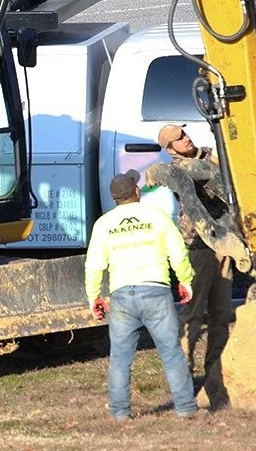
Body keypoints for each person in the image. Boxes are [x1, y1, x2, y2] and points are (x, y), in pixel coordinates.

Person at [85, 169, 199, 420]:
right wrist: (185, 280)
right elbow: (178, 253)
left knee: (120, 358)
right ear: (137, 192)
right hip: (156, 292)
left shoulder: (104, 224)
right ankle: (186, 409)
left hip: (122, 296)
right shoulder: (157, 217)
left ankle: (120, 413)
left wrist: (95, 297)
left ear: (114, 198)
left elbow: (94, 265)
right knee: (171, 352)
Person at [148, 124, 233, 396]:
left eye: (184, 134)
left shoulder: (213, 156)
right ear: (170, 150)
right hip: (198, 245)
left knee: (221, 313)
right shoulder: (177, 170)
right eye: (178, 139)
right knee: (193, 314)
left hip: (224, 243)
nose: (186, 139)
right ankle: (182, 378)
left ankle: (215, 374)